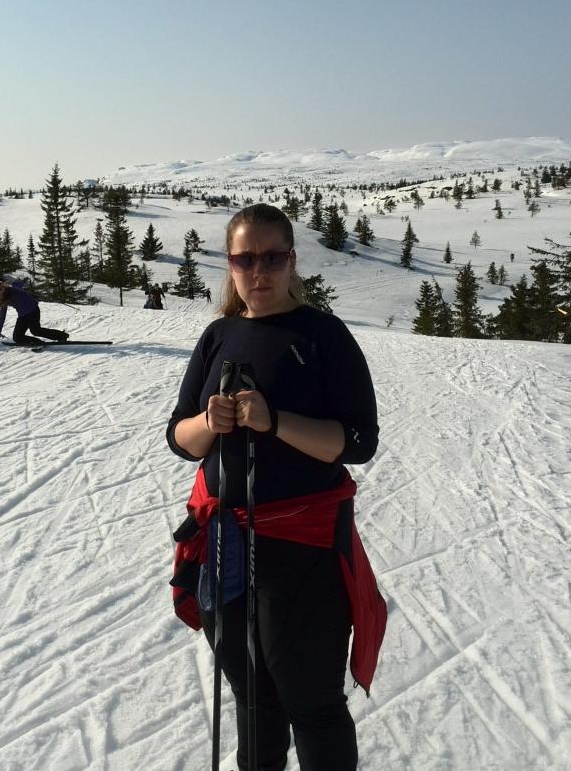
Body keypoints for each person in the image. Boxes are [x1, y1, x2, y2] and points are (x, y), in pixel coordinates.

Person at [166, 203, 385, 771]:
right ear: (230, 264)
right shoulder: (218, 335)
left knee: (311, 703)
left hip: (301, 546)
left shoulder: (322, 335)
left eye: (272, 258)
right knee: (252, 696)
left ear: (292, 260)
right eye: (245, 259)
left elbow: (358, 441)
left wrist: (276, 421)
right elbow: (180, 437)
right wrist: (207, 423)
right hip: (224, 541)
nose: (258, 271)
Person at [0, 279, 69, 345]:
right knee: (17, 337)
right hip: (22, 315)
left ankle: (61, 336)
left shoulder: (14, 290)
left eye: (0, 289)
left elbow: (19, 284)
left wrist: (10, 284)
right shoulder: (2, 298)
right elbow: (2, 315)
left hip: (32, 310)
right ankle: (37, 342)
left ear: (4, 287)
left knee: (36, 331)